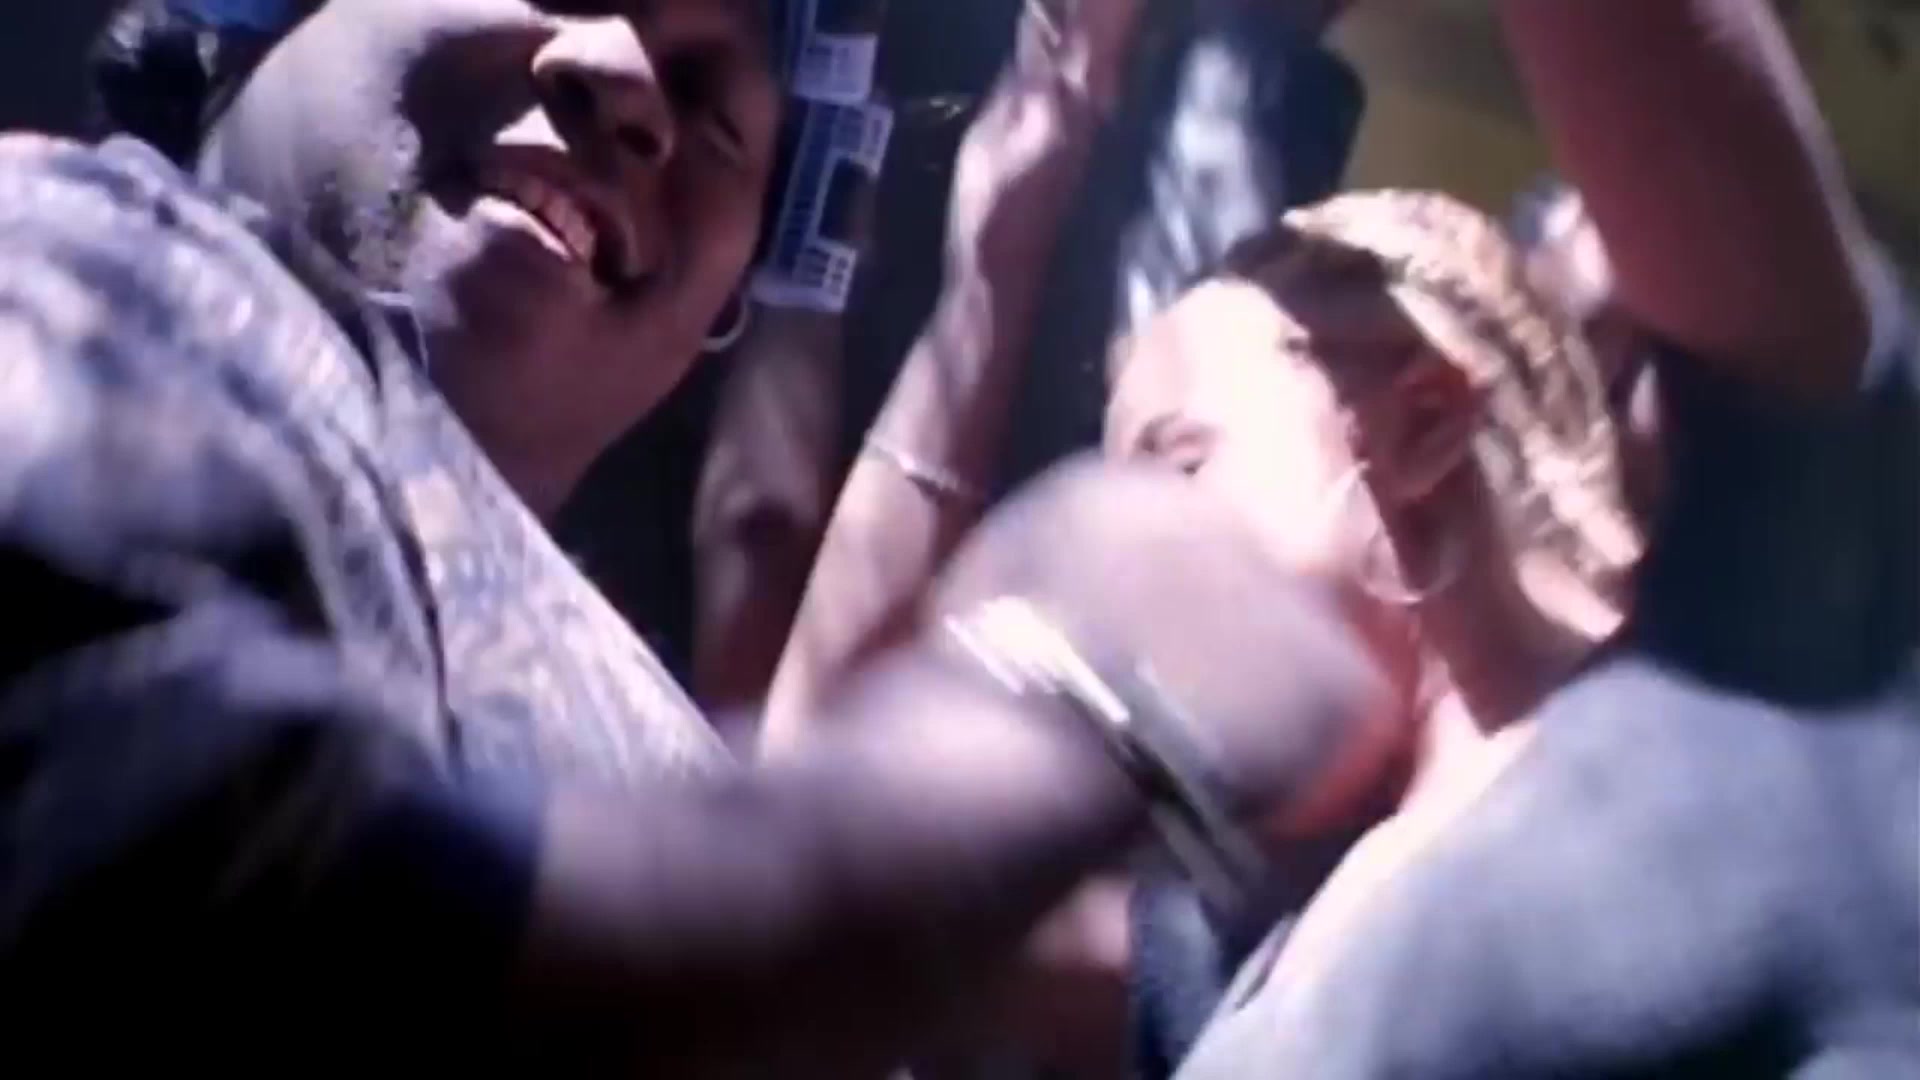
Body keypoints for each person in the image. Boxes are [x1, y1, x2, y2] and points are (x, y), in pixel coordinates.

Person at [0, 0, 1393, 1073]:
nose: (622, 77)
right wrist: (1049, 728)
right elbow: (202, 922)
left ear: (712, 314)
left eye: (716, 113)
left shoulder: (627, 710)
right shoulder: (68, 251)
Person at [1096, 1, 1917, 1075]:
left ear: (1420, 421)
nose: (1115, 555)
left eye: (1178, 466)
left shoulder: (1764, 660)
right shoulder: (1212, 953)